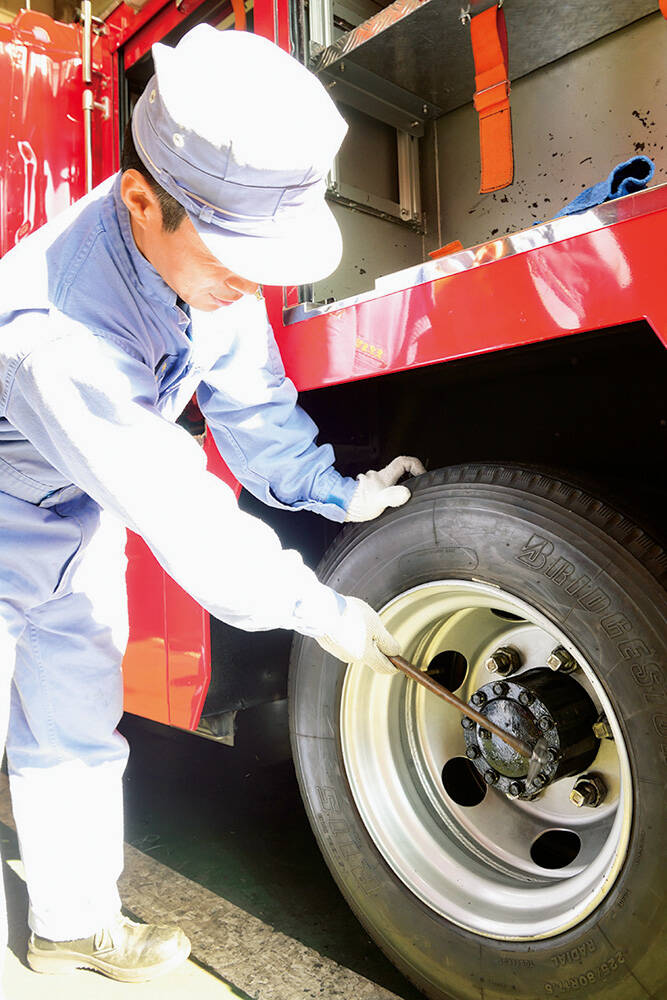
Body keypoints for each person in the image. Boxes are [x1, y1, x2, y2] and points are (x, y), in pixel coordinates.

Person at [0, 24, 424, 985]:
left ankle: (69, 922)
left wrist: (335, 490)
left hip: (76, 508)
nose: (254, 284)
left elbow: (254, 405)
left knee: (73, 715)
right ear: (143, 200)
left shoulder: (206, 272)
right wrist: (320, 611)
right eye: (238, 256)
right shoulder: (57, 331)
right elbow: (176, 507)